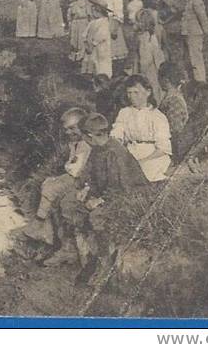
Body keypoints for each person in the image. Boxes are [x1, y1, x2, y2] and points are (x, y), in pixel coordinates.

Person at [48, 113, 148, 268]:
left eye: (84, 137)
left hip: (129, 198)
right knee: (67, 203)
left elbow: (122, 187)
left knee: (97, 216)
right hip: (105, 194)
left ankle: (104, 263)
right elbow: (88, 174)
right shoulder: (97, 148)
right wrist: (86, 188)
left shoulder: (116, 153)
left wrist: (99, 201)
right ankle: (76, 252)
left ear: (89, 136)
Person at [18, 107, 91, 246]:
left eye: (72, 128)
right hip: (74, 176)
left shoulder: (86, 145)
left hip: (80, 180)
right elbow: (72, 165)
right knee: (46, 183)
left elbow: (76, 169)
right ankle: (44, 228)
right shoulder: (75, 143)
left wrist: (66, 170)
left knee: (51, 188)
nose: (69, 132)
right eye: (67, 129)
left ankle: (40, 224)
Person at [110, 75, 173, 182]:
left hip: (152, 156)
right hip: (130, 153)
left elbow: (162, 149)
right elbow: (117, 134)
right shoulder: (124, 113)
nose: (132, 96)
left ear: (148, 92)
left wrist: (142, 161)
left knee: (144, 174)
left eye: (136, 92)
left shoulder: (157, 116)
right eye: (129, 93)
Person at [156, 63, 190, 162]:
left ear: (165, 80)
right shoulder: (170, 97)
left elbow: (175, 129)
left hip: (173, 147)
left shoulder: (174, 100)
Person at [180, 0, 208, 86]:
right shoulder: (187, 0)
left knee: (196, 56)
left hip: (194, 33)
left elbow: (202, 16)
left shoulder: (196, 0)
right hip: (187, 33)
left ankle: (200, 79)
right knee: (187, 56)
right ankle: (189, 78)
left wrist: (205, 30)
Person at [134, 3, 167, 101]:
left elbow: (149, 58)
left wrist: (141, 71)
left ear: (145, 24)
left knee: (153, 89)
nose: (136, 24)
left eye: (138, 22)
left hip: (151, 71)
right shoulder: (144, 37)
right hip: (148, 70)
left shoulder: (148, 39)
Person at [98, 0, 128, 69]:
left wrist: (114, 27)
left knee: (115, 50)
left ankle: (117, 70)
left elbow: (119, 14)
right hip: (104, 23)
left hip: (113, 23)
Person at [84, 0, 113, 79]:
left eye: (94, 11)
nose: (92, 13)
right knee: (96, 63)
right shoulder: (94, 22)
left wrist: (94, 43)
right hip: (95, 47)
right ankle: (97, 79)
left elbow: (102, 35)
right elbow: (86, 32)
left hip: (102, 46)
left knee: (103, 64)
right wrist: (87, 42)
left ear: (98, 12)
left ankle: (104, 79)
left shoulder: (104, 22)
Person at [67, 0, 92, 71]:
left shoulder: (85, 2)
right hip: (74, 24)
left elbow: (89, 15)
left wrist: (90, 25)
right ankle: (74, 59)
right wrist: (70, 24)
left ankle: (82, 59)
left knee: (82, 40)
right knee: (74, 41)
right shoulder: (72, 5)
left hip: (83, 23)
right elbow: (69, 16)